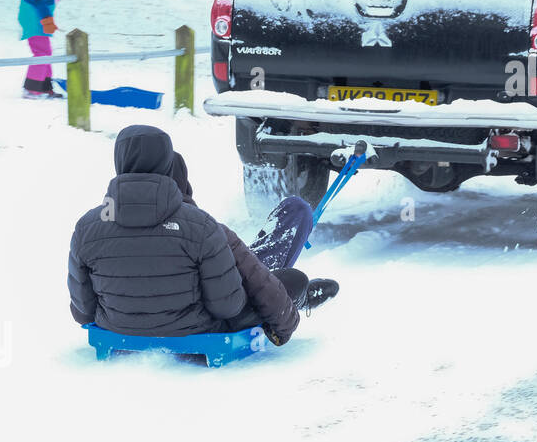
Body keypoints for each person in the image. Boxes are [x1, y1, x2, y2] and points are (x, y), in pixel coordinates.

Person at [67, 125, 338, 346]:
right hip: (196, 329)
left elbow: (83, 311)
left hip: (117, 327)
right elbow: (228, 306)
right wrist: (283, 325)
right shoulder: (202, 227)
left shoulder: (87, 227)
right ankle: (298, 299)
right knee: (290, 281)